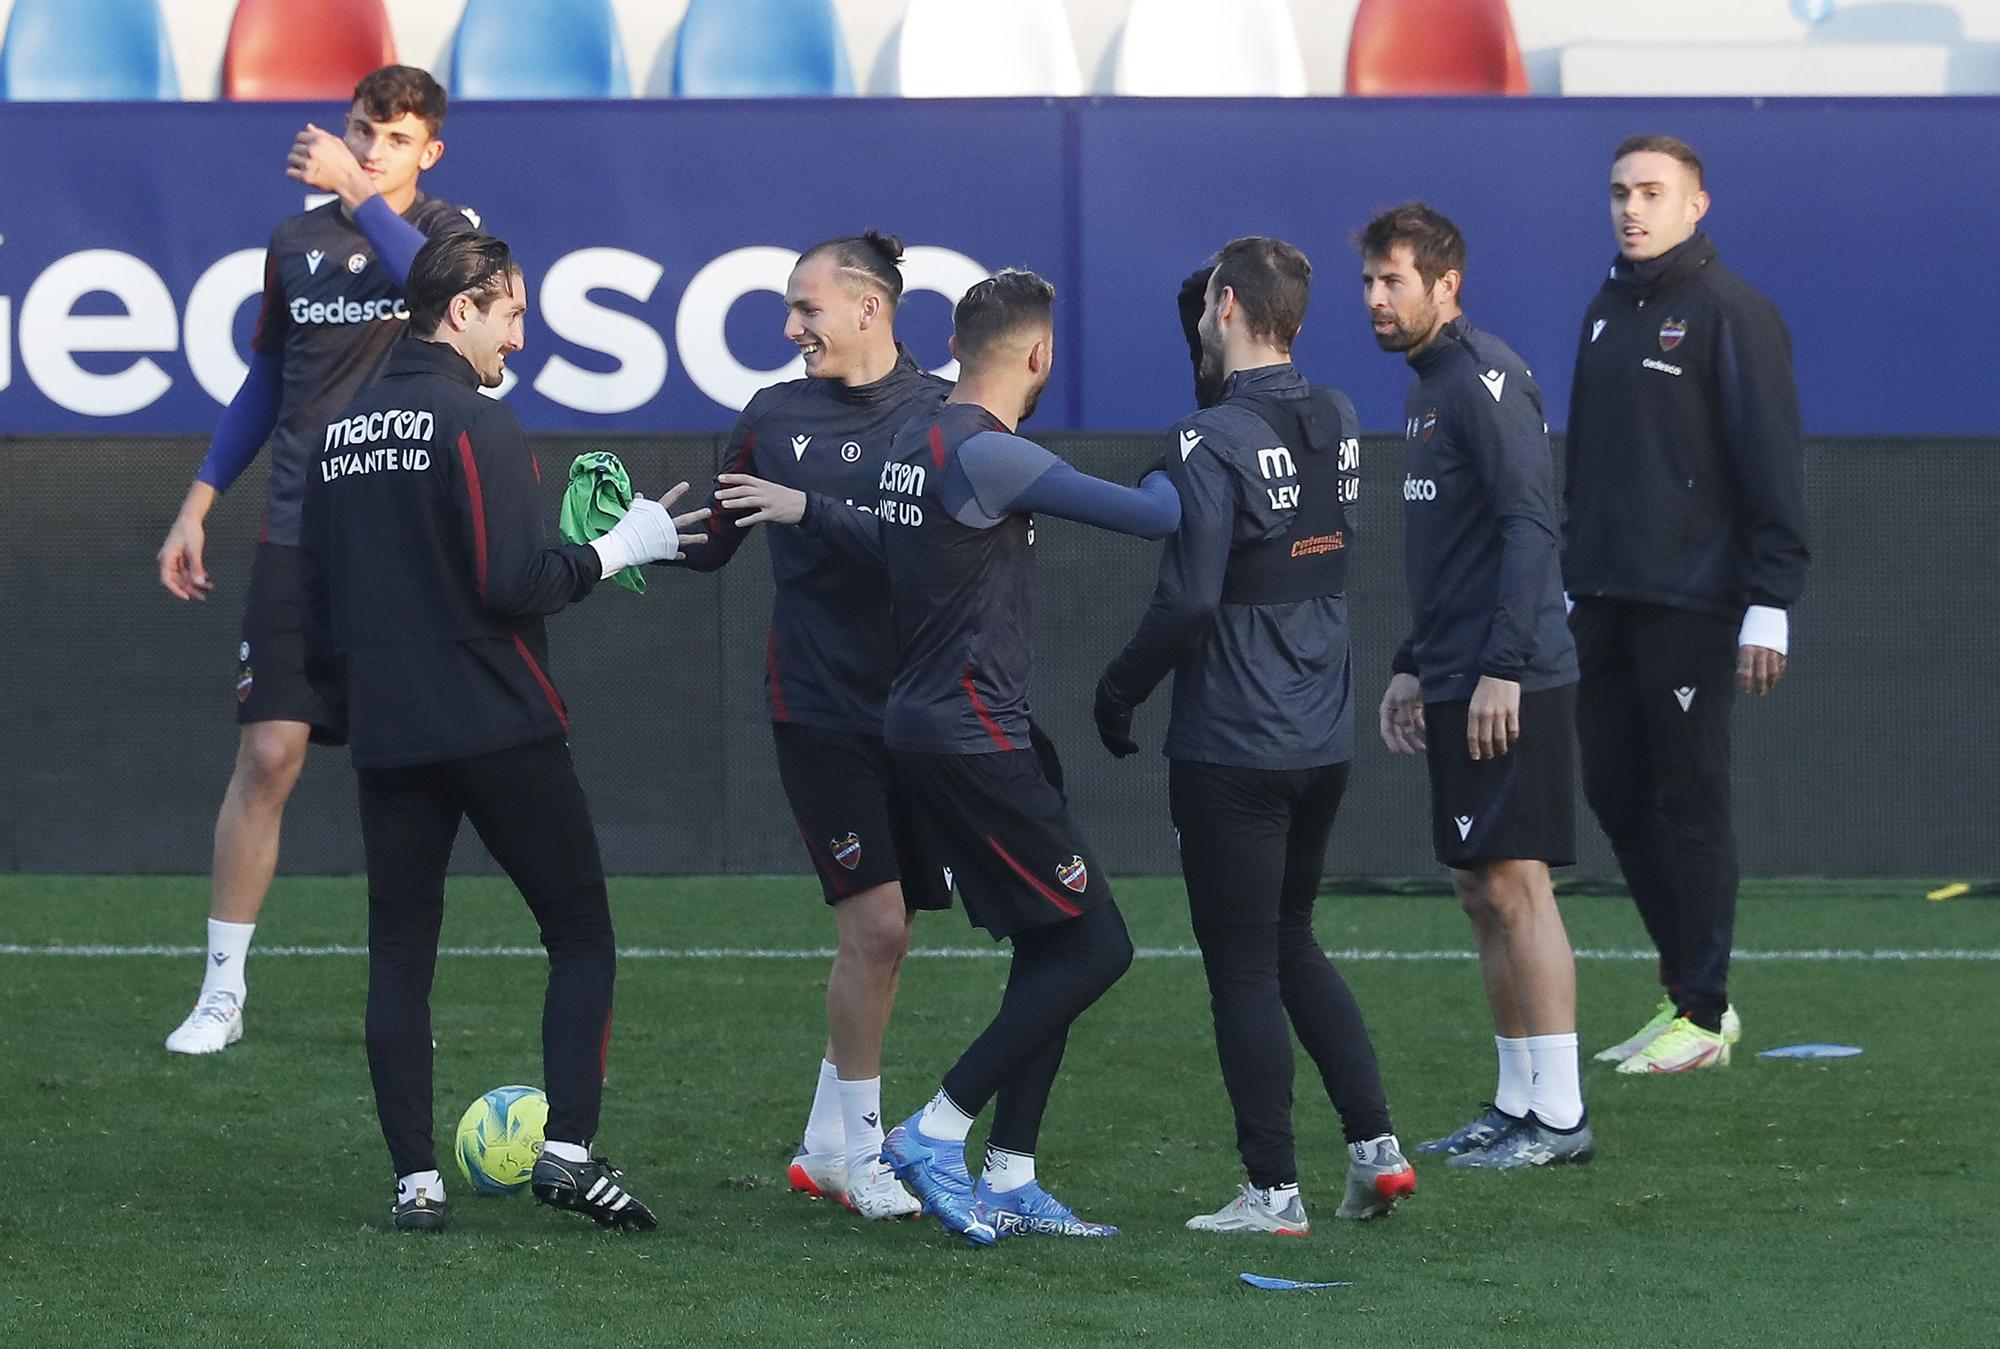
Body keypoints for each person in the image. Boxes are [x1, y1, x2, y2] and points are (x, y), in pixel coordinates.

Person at [747, 269, 1177, 1243]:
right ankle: (935, 1127)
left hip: (933, 728)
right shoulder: (990, 451)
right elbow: (1155, 517)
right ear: (1038, 356)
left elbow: (890, 545)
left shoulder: (916, 437)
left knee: (1053, 940)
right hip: (970, 737)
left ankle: (1012, 1169)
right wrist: (1189, 458)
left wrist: (808, 510)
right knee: (1101, 943)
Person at [299, 232, 706, 1232]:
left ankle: (414, 1183)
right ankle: (565, 1149)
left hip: (392, 731)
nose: (519, 338)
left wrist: (355, 714)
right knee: (578, 931)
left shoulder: (336, 428)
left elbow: (316, 597)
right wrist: (614, 549)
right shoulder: (474, 418)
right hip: (496, 719)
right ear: (462, 309)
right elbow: (508, 581)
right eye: (512, 314)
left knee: (398, 949)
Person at [155, 65, 480, 1054]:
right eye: (358, 131)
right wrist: (199, 498)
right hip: (299, 531)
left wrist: (357, 192)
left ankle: (404, 990)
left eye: (391, 137)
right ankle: (221, 992)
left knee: (413, 766)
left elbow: (441, 292)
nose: (370, 147)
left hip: (406, 538)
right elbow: (269, 372)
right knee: (267, 753)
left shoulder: (449, 235)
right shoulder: (295, 241)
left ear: (428, 150)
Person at [1093, 238, 1415, 1234]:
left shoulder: (1208, 437)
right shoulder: (1341, 413)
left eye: (1205, 308)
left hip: (1233, 741)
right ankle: (1375, 1149)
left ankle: (1271, 1189)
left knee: (1240, 966)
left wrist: (1117, 688)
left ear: (1225, 306)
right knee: (1289, 941)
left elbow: (1188, 599)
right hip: (1320, 735)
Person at [669, 232, 949, 1219]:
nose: (790, 327)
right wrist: (631, 537)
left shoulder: (942, 415)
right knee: (871, 926)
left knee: (895, 933)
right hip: (819, 708)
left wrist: (810, 506)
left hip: (922, 709)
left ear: (870, 306)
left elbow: (932, 554)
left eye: (806, 307)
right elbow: (714, 539)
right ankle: (861, 1157)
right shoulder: (773, 413)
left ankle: (822, 1141)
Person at [1566, 135, 1809, 1074]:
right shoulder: (1602, 309)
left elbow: (1772, 463)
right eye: (1621, 191)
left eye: (1653, 193)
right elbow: (1590, 464)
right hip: (1603, 596)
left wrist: (1770, 601)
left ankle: (1704, 1016)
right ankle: (1686, 991)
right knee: (1614, 791)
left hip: (1696, 603)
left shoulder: (1730, 312)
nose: (1633, 208)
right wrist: (1567, 567)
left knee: (1689, 798)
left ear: (1695, 206)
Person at [1362, 204, 1594, 1169]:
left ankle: (1564, 1117)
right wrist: (1412, 661)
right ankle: (1514, 1102)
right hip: (1458, 668)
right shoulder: (1426, 389)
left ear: (1446, 284)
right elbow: (1452, 549)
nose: (1375, 299)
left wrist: (1503, 666)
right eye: (1369, 282)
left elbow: (1531, 527)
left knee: (1517, 883)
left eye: (1393, 281)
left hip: (1514, 674)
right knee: (1476, 886)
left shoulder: (1485, 379)